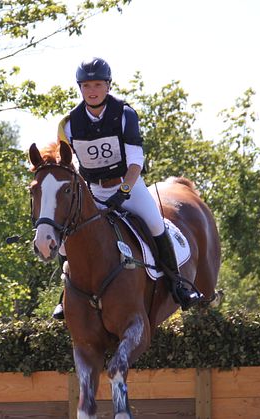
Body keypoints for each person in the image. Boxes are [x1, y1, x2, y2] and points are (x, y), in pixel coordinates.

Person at [51, 57, 202, 320]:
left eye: (98, 84)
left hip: (127, 186)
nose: (92, 90)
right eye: (86, 85)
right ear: (80, 88)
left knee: (156, 224)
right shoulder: (68, 124)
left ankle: (178, 284)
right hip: (93, 191)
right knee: (64, 241)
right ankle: (65, 297)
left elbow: (135, 163)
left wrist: (122, 191)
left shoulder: (124, 114)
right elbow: (69, 165)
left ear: (108, 86)